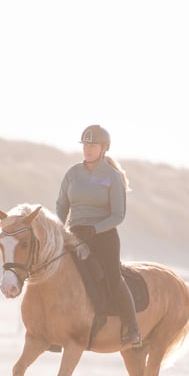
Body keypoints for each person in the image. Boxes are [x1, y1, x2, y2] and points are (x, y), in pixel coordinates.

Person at [56, 124, 142, 348]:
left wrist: (95, 229)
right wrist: (61, 228)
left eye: (92, 145)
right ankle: (54, 330)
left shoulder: (112, 177)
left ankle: (132, 328)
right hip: (75, 234)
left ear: (104, 148)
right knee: (59, 274)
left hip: (103, 237)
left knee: (113, 279)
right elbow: (61, 204)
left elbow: (118, 215)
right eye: (85, 144)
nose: (87, 149)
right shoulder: (73, 173)